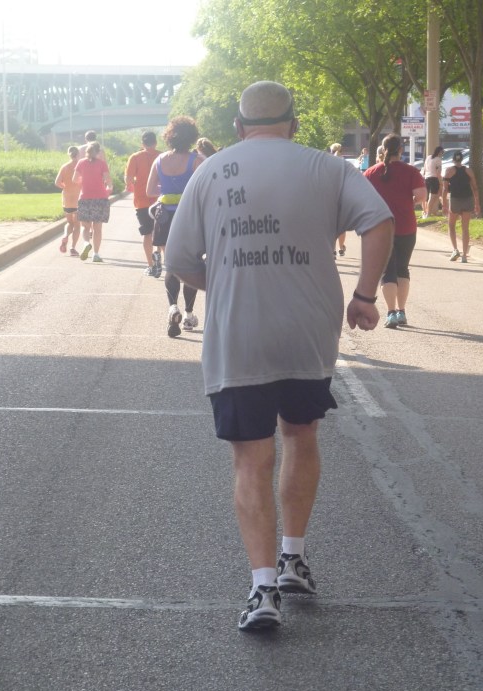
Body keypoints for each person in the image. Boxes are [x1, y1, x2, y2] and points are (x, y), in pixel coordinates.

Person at [164, 80, 394, 631]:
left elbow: (177, 256)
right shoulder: (327, 167)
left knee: (250, 457)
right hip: (308, 329)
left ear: (240, 128)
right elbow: (380, 220)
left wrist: (221, 285)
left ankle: (262, 589)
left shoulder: (210, 170)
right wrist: (365, 294)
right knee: (301, 434)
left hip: (239, 332)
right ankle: (294, 556)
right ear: (293, 124)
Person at [146, 116, 204, 336]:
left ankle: (173, 307)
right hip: (189, 217)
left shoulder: (159, 160)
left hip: (165, 217)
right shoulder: (196, 160)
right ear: (192, 137)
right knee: (192, 263)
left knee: (171, 264)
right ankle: (189, 315)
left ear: (169, 136)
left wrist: (167, 188)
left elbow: (150, 191)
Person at [364, 132, 426, 328]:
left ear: (382, 150)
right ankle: (401, 311)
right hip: (406, 226)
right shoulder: (411, 172)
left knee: (387, 272)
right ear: (401, 150)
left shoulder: (371, 172)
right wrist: (408, 202)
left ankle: (390, 313)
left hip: (380, 228)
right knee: (402, 269)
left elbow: (362, 198)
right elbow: (422, 196)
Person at [124, 131, 162, 277]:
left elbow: (128, 179)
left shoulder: (135, 157)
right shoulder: (162, 156)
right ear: (155, 142)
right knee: (160, 231)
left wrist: (135, 183)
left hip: (142, 200)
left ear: (142, 143)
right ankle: (158, 254)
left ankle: (151, 266)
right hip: (160, 199)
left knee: (147, 233)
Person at [72, 141, 112, 263]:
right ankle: (95, 254)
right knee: (97, 228)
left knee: (85, 226)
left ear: (86, 152)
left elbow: (74, 179)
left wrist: (83, 183)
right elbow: (108, 181)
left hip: (85, 197)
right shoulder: (102, 164)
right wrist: (108, 188)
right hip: (100, 198)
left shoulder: (81, 163)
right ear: (98, 152)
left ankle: (85, 243)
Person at [443, 150, 480, 263]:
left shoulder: (449, 171)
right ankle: (464, 255)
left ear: (453, 159)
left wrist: (444, 203)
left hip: (455, 200)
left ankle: (455, 249)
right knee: (465, 228)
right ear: (462, 159)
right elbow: (475, 188)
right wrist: (477, 203)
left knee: (451, 225)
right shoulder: (468, 171)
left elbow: (445, 189)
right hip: (468, 199)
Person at [54, 146, 81, 256]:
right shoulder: (80, 166)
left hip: (67, 198)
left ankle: (65, 236)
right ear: (78, 154)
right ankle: (73, 248)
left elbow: (57, 182)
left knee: (69, 222)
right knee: (77, 225)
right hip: (78, 198)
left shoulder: (64, 167)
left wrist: (65, 186)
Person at [329, 143, 347, 256]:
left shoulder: (326, 163)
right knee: (341, 225)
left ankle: (333, 249)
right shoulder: (344, 164)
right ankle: (341, 247)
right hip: (342, 197)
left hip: (329, 197)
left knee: (331, 225)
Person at [423, 146, 444, 217]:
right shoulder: (438, 159)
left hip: (427, 178)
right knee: (432, 197)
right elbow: (438, 172)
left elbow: (425, 168)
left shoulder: (428, 157)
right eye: (442, 152)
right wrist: (440, 181)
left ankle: (426, 212)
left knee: (427, 197)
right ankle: (428, 213)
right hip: (434, 179)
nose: (442, 154)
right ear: (440, 152)